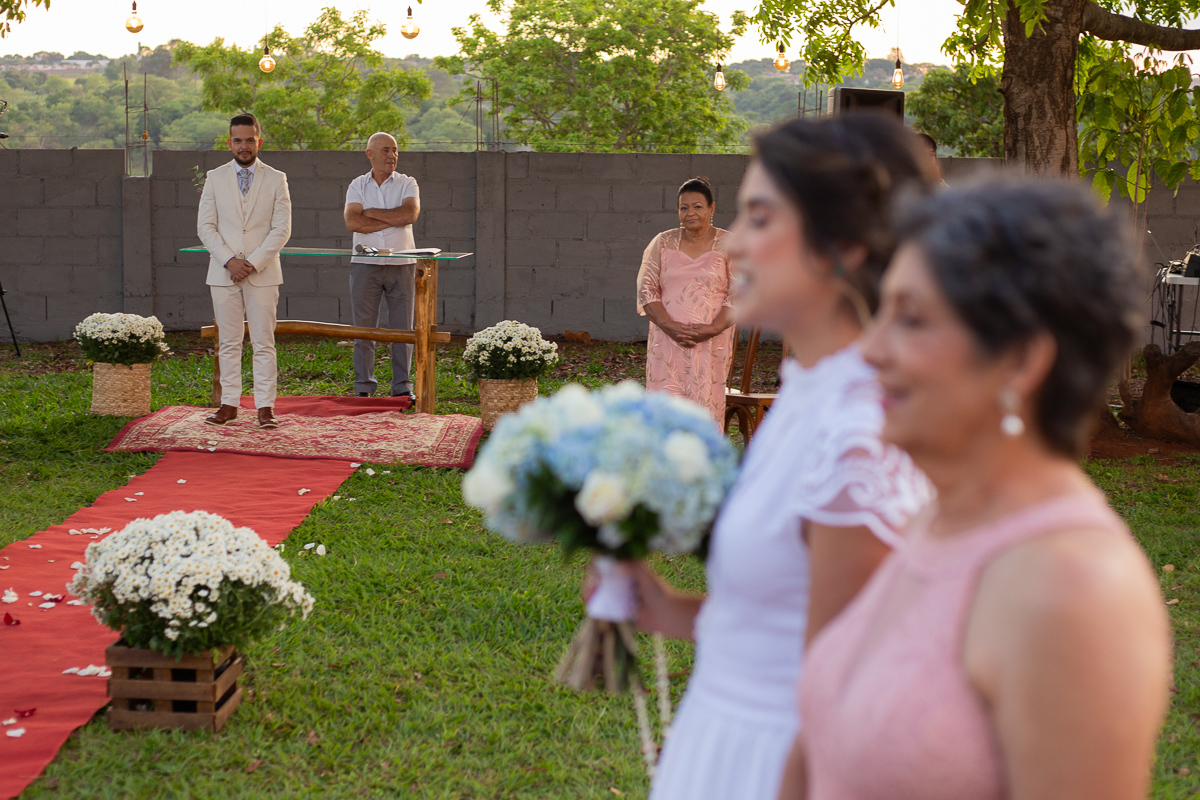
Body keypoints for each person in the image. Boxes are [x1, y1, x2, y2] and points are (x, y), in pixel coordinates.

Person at [793, 179, 1171, 800]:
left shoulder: (1070, 588)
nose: (871, 349)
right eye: (880, 310)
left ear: (1020, 360)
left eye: (910, 318)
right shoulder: (935, 520)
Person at [621, 114, 937, 800]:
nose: (738, 246)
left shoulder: (857, 432)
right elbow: (777, 619)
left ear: (841, 247)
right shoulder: (807, 389)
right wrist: (661, 605)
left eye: (762, 219)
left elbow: (841, 675)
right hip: (724, 741)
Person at [198, 112, 292, 429]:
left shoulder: (276, 178)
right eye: (238, 140)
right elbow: (205, 227)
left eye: (249, 139)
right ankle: (229, 404)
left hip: (262, 273)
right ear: (229, 143)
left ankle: (265, 407)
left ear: (259, 141)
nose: (244, 145)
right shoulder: (214, 178)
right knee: (228, 341)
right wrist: (230, 261)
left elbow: (282, 229)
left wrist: (251, 263)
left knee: (263, 342)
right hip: (223, 272)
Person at [636, 177, 735, 423]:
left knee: (706, 406)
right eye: (683, 207)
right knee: (665, 407)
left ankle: (703, 458)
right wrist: (670, 327)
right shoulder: (662, 242)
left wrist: (712, 329)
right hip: (667, 340)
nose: (690, 212)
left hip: (712, 341)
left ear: (712, 208)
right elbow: (646, 290)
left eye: (697, 206)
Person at [343, 132, 421, 403]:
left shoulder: (408, 183)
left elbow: (409, 215)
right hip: (365, 263)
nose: (392, 155)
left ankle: (402, 387)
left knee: (403, 329)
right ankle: (363, 387)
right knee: (363, 330)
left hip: (402, 263)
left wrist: (370, 212)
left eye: (396, 150)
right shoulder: (357, 185)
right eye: (386, 150)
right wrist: (393, 218)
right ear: (370, 154)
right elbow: (353, 223)